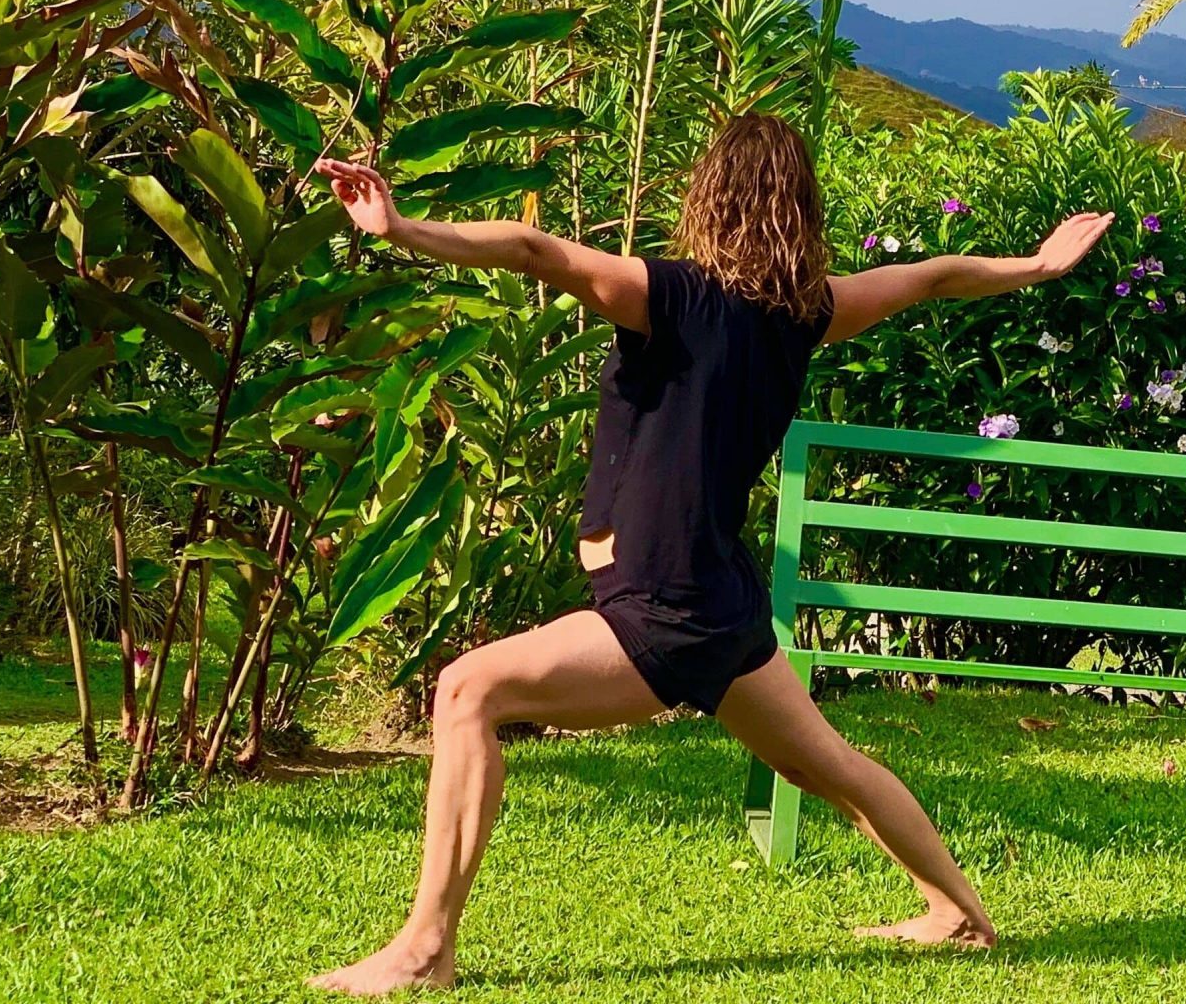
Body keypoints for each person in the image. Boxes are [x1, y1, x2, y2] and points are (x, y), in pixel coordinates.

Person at [306, 113, 1113, 994]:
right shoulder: (811, 310)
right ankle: (957, 913)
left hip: (666, 602)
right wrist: (1035, 265)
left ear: (710, 194)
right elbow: (928, 279)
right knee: (823, 764)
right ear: (797, 206)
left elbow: (538, 251)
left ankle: (425, 948)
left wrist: (406, 229)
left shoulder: (672, 294)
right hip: (717, 594)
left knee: (468, 691)